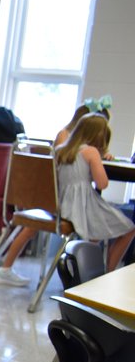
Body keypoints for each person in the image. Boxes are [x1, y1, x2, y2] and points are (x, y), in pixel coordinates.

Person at [0, 100, 115, 287]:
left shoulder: (73, 142)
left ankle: (6, 268)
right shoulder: (71, 142)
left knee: (33, 226)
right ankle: (94, 279)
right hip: (58, 199)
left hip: (51, 197)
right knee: (97, 225)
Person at [53, 113, 135, 272]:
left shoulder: (61, 150)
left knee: (97, 231)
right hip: (82, 207)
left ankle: (89, 268)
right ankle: (109, 271)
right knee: (129, 228)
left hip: (62, 206)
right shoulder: (91, 152)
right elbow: (102, 184)